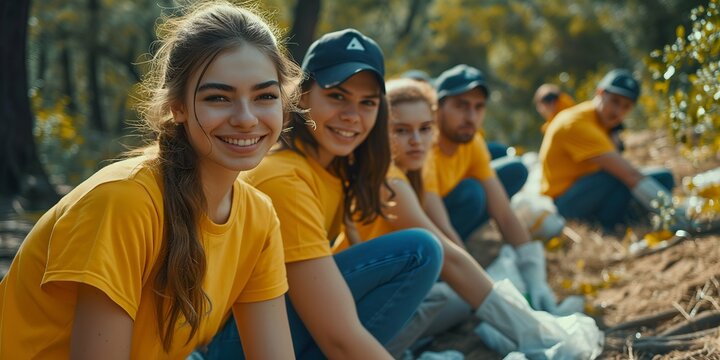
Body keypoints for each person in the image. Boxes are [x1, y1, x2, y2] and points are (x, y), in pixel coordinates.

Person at [0, 2, 301, 358]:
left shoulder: (258, 216)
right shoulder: (122, 202)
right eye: (218, 97)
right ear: (178, 107)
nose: (246, 118)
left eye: (265, 96)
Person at [205, 28, 443, 360]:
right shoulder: (284, 178)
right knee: (419, 251)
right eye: (337, 96)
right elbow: (339, 337)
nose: (352, 115)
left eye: (368, 103)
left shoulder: (335, 167)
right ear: (303, 95)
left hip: (265, 332)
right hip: (231, 345)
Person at [352, 78, 603, 359]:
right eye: (400, 130)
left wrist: (534, 282)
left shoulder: (405, 173)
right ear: (379, 131)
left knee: (453, 297)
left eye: (425, 129)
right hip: (359, 310)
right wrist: (532, 329)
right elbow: (449, 254)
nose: (416, 141)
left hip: (376, 294)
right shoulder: (390, 183)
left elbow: (501, 216)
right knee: (449, 287)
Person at [539, 69, 679, 231]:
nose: (618, 112)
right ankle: (609, 224)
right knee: (617, 174)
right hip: (566, 204)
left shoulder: (604, 123)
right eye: (614, 101)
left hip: (594, 190)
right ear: (600, 93)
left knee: (663, 177)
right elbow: (629, 174)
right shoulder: (576, 123)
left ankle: (627, 220)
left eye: (626, 107)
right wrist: (676, 214)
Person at [534, 83, 624, 151]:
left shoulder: (563, 120)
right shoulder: (570, 107)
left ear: (551, 103)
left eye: (540, 106)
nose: (540, 111)